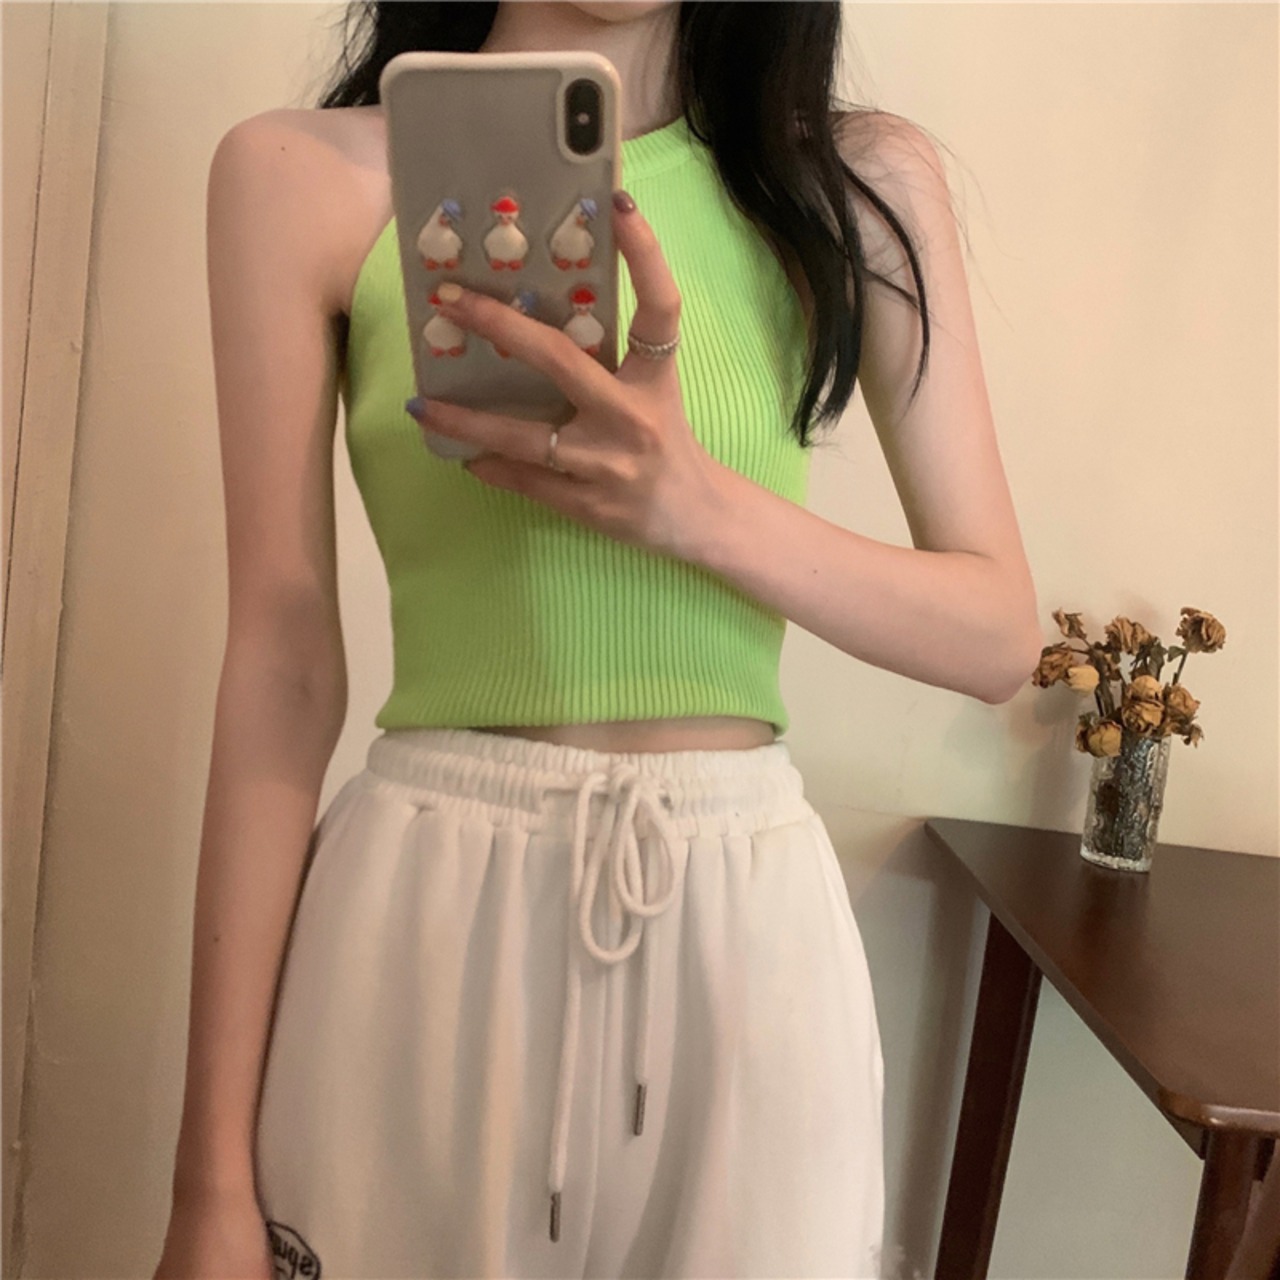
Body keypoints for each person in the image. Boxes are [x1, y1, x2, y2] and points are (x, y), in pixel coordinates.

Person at [156, 2, 1041, 1277]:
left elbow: (994, 630)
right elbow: (282, 664)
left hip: (745, 939)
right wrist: (208, 1183)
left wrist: (691, 504)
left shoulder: (849, 185)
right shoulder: (298, 177)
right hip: (427, 915)